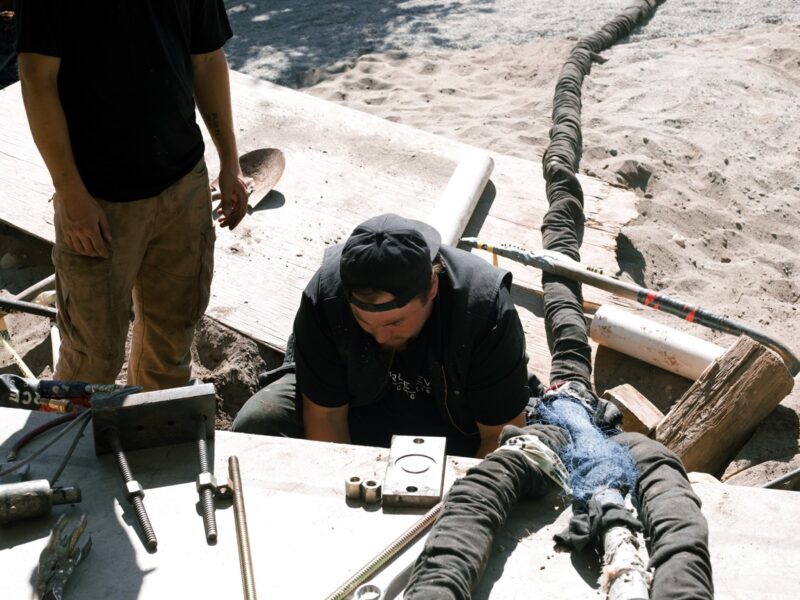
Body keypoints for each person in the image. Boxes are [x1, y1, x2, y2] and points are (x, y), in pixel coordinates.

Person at [15, 1, 250, 390]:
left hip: (184, 188)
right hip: (99, 202)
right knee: (91, 358)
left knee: (171, 345)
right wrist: (70, 193)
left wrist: (230, 161)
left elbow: (207, 58)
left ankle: (153, 437)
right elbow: (37, 79)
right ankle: (76, 446)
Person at [234, 213, 532, 457]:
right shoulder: (326, 296)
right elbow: (326, 419)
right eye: (364, 321)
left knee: (524, 459)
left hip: (458, 426)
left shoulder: (483, 309)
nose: (378, 337)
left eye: (394, 323)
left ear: (431, 288)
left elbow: (499, 437)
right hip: (360, 410)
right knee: (260, 421)